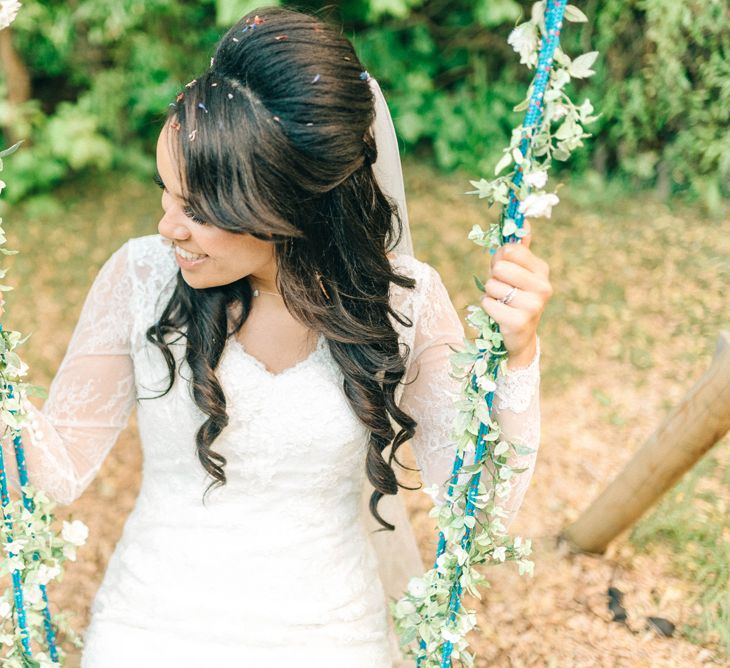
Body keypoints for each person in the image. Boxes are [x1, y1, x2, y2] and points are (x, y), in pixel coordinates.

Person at [0, 6, 551, 667]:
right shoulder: (140, 275)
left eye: (198, 209)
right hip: (151, 628)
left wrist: (516, 358)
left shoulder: (402, 303)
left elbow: (478, 509)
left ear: (288, 203)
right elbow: (48, 471)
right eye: (166, 194)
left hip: (331, 638)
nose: (168, 226)